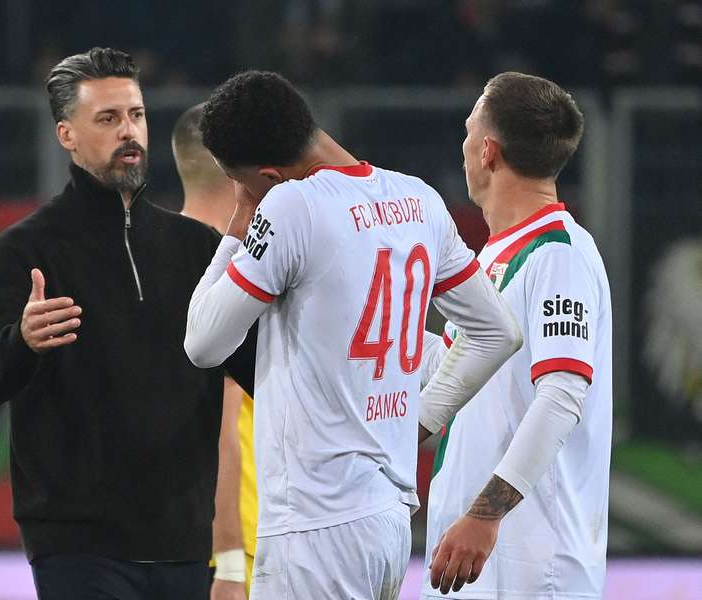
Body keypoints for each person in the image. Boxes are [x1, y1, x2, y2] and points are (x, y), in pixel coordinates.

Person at [183, 70, 522, 600]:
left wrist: (239, 221)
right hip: (389, 517)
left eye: (241, 182)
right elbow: (497, 331)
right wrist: (419, 422)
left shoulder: (291, 206)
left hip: (313, 525)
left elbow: (203, 344)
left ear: (268, 175)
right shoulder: (418, 199)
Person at [0, 47, 253, 600]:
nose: (128, 131)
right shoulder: (25, 249)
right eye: (108, 118)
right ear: (67, 135)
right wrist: (22, 341)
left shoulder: (194, 248)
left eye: (136, 115)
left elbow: (257, 371)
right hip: (77, 545)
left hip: (183, 542)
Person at [419, 72, 612, 599]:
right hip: (477, 561)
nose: (463, 147)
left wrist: (485, 516)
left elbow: (562, 393)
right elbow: (454, 370)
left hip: (532, 565)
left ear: (487, 151)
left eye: (468, 132)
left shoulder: (558, 254)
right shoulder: (494, 256)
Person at [172, 104, 258, 600]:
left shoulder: (149, 264)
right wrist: (228, 559)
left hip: (167, 535)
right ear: (236, 173)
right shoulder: (233, 274)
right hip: (237, 541)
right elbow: (223, 427)